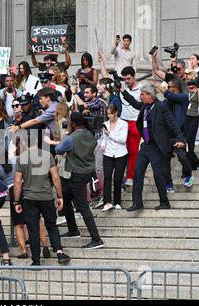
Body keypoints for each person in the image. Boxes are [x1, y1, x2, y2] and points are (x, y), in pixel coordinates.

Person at [120, 84, 186, 212]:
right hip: (146, 145)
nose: (140, 96)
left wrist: (180, 139)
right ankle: (137, 202)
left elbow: (173, 124)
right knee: (138, 172)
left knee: (158, 175)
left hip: (158, 146)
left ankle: (164, 202)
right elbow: (134, 103)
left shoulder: (161, 107)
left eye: (143, 94)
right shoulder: (145, 105)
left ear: (150, 95)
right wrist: (122, 91)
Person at [47, 112, 105, 249]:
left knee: (83, 207)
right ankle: (73, 230)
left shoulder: (70, 138)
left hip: (75, 174)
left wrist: (66, 135)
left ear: (72, 124)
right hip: (86, 172)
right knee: (65, 198)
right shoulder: (90, 135)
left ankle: (96, 239)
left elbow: (58, 150)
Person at [13, 133, 71, 266]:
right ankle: (59, 253)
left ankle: (36, 260)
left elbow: (17, 181)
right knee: (51, 225)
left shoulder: (21, 158)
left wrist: (17, 201)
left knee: (33, 229)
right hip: (46, 196)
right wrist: (60, 196)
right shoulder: (47, 155)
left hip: (29, 198)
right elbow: (55, 177)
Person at [155, 78, 194, 190]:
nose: (168, 89)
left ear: (176, 87)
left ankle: (188, 175)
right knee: (165, 160)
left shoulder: (183, 97)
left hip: (180, 133)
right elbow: (160, 104)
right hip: (168, 133)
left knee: (182, 156)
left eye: (170, 86)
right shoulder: (167, 101)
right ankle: (168, 184)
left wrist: (159, 87)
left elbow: (170, 95)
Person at [100, 105, 128, 212]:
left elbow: (123, 140)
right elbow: (105, 138)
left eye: (111, 113)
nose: (109, 116)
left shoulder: (123, 124)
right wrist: (102, 144)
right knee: (107, 176)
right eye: (107, 114)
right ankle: (107, 202)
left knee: (117, 178)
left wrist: (110, 134)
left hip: (121, 154)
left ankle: (117, 202)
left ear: (116, 112)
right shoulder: (105, 124)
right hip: (108, 153)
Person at [119, 66, 142, 187]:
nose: (126, 81)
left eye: (128, 78)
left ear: (133, 76)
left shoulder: (141, 88)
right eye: (125, 79)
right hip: (123, 121)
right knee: (122, 151)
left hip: (135, 122)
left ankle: (130, 176)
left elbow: (138, 104)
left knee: (133, 151)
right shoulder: (121, 86)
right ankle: (122, 175)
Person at [186, 72, 199, 170]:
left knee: (190, 142)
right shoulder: (186, 90)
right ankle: (194, 162)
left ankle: (190, 165)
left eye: (191, 79)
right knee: (186, 141)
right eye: (188, 79)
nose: (189, 81)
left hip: (194, 117)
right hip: (185, 117)